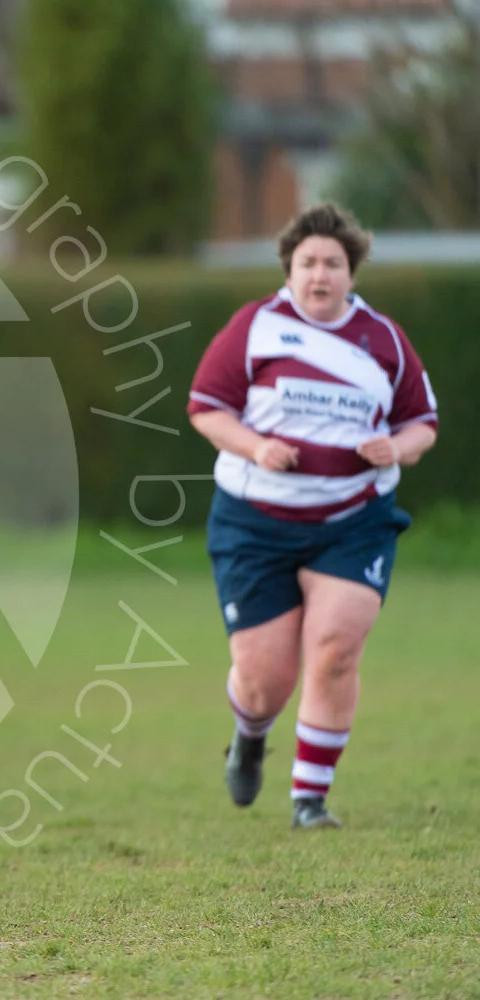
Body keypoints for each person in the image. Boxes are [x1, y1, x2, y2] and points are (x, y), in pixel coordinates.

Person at [187, 203, 438, 830]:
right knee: (264, 681)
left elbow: (422, 423)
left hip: (354, 522)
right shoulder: (255, 327)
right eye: (308, 263)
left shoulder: (384, 339)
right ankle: (250, 736)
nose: (320, 274)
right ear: (289, 270)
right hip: (255, 524)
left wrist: (397, 448)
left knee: (335, 650)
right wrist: (256, 447)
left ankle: (309, 800)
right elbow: (206, 409)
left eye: (332, 263)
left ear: (351, 273)